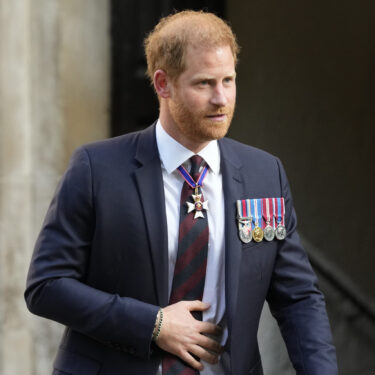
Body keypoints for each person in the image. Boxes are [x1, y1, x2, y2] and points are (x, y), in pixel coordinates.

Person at [25, 10, 338, 375]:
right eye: (204, 83)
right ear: (163, 84)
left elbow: (297, 298)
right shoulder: (97, 169)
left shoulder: (265, 174)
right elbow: (46, 286)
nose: (221, 99)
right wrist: (153, 324)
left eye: (229, 80)